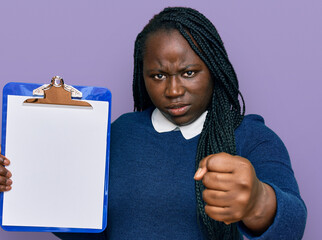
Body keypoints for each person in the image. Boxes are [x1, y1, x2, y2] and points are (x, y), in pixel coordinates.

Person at [0, 7, 306, 240]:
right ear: (142, 76)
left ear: (214, 70)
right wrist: (26, 185)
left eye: (189, 72)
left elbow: (294, 223)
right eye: (158, 76)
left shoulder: (253, 137)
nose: (173, 91)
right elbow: (91, 228)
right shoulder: (121, 132)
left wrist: (258, 202)